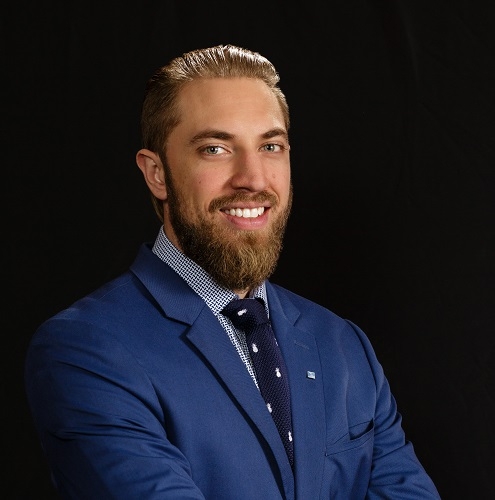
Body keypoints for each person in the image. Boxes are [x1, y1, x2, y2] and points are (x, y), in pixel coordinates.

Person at [24, 44, 440, 499]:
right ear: (157, 173)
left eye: (270, 146)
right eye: (216, 149)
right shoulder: (86, 350)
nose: (253, 179)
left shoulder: (342, 344)